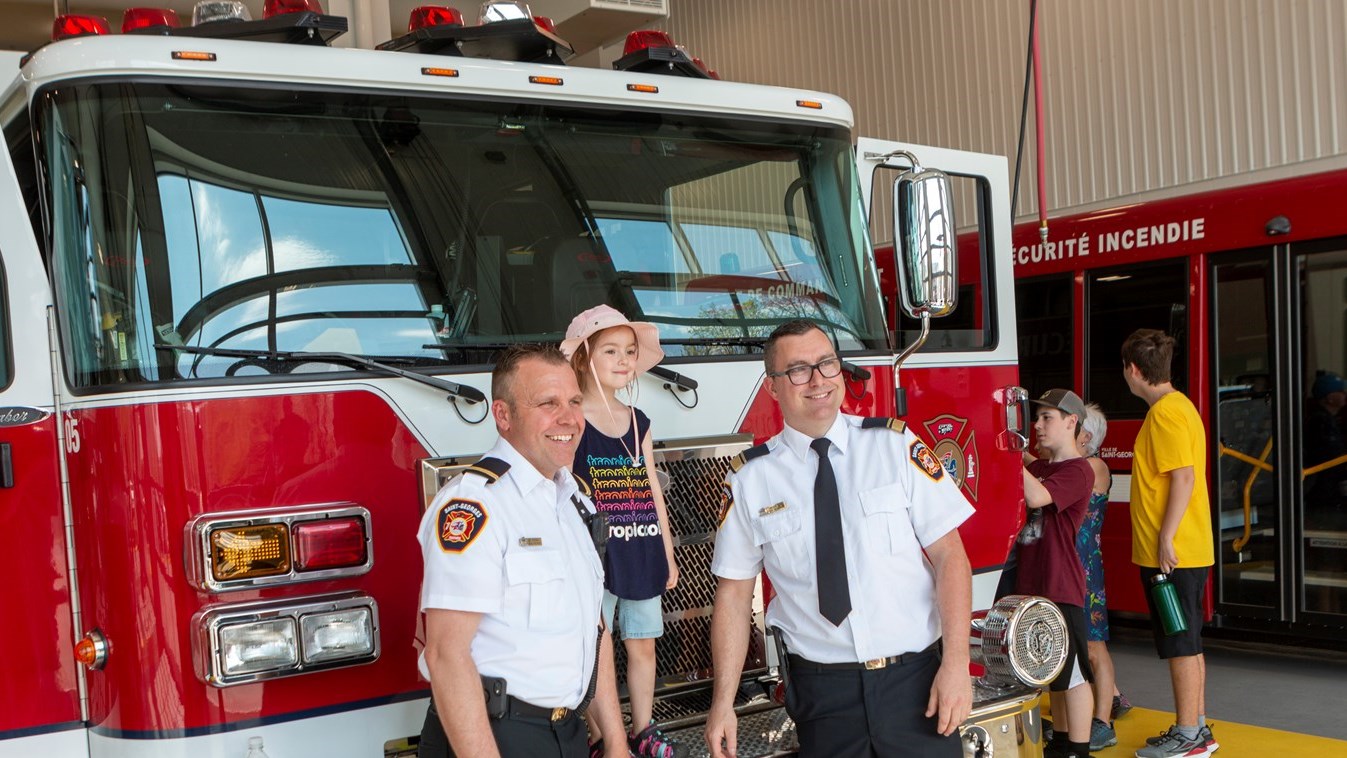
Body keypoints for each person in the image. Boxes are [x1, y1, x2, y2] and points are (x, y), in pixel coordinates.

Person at [705, 319, 974, 758]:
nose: (818, 380)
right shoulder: (750, 480)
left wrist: (957, 664)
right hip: (823, 696)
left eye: (827, 363)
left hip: (918, 685)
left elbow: (950, 557)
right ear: (772, 387)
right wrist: (723, 704)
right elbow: (734, 596)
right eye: (798, 370)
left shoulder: (894, 447)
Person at [416, 343, 628, 758]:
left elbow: (593, 628)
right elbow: (446, 654)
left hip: (567, 733)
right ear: (503, 415)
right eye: (548, 403)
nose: (568, 418)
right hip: (492, 735)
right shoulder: (475, 505)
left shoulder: (575, 502)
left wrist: (617, 741)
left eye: (574, 401)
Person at [560, 305, 683, 758]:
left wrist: (668, 553)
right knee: (596, 648)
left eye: (630, 351)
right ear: (583, 357)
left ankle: (644, 730)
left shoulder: (638, 420)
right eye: (610, 350)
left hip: (642, 549)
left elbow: (652, 490)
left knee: (643, 643)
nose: (624, 360)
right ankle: (600, 736)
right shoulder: (572, 420)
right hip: (595, 556)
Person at [1121, 329, 1219, 758]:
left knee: (1179, 642)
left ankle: (1188, 734)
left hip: (1173, 555)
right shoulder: (1180, 407)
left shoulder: (1164, 414)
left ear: (1133, 370)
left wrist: (1164, 538)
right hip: (1186, 550)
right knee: (1188, 640)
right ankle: (1197, 728)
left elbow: (1183, 477)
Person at [1018, 389, 1096, 758]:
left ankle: (1079, 748)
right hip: (1033, 584)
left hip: (1060, 584)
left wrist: (1010, 454)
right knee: (1050, 669)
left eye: (1047, 418)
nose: (1037, 425)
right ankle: (1062, 741)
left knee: (1073, 671)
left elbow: (1036, 497)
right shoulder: (1040, 468)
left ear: (1071, 422)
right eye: (1037, 418)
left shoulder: (1079, 470)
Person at [1074, 403, 1125, 750]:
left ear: (1086, 435)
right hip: (1073, 565)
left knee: (1094, 646)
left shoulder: (1094, 467)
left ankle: (1103, 722)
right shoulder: (1076, 466)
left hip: (1086, 568)